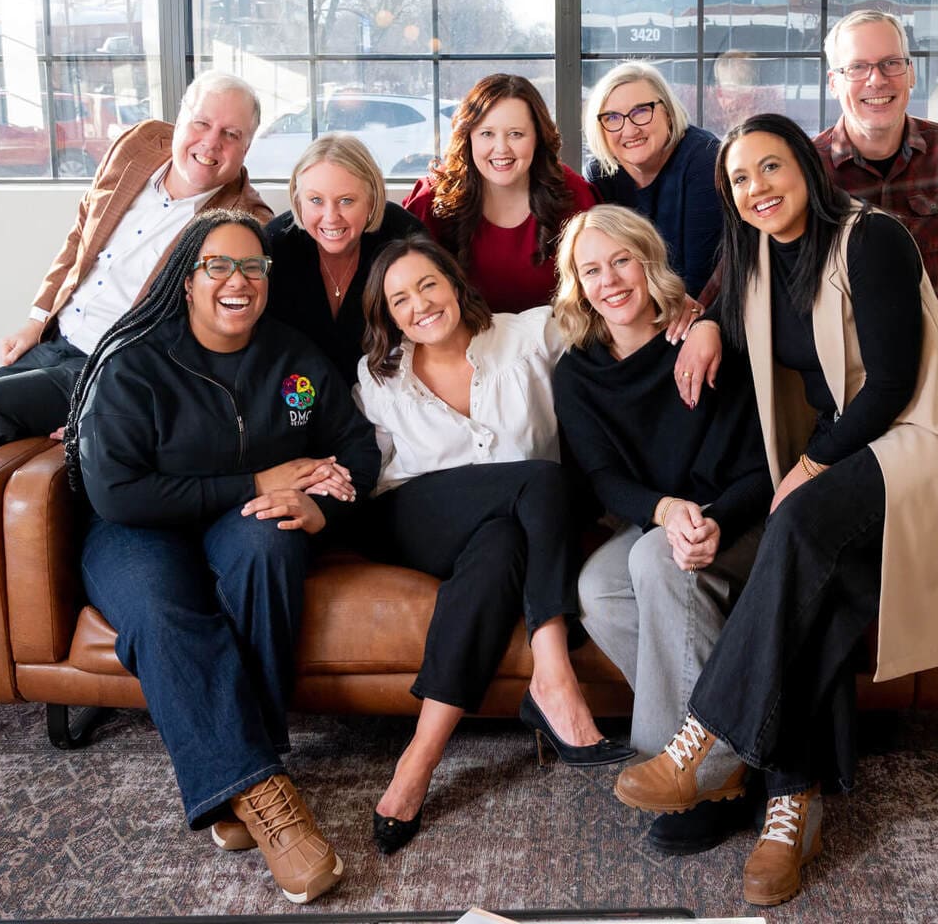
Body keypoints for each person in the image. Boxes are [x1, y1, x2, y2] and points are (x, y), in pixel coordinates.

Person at [616, 114, 938, 907]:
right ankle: (792, 809)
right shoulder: (756, 256)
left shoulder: (873, 240)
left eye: (770, 167)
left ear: (806, 165)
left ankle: (701, 739)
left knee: (792, 524)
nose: (756, 187)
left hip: (921, 439)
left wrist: (810, 464)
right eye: (739, 178)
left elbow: (892, 386)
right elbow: (725, 312)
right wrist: (706, 329)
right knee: (819, 593)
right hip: (854, 450)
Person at [686, 9, 938, 766]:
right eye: (858, 68)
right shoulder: (794, 164)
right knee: (817, 523)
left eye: (890, 64)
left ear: (910, 70)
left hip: (926, 394)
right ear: (833, 78)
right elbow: (742, 267)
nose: (876, 80)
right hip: (846, 406)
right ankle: (778, 749)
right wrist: (706, 321)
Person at [66, 208, 379, 905]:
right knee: (160, 609)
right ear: (187, 279)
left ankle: (241, 780)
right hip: (134, 528)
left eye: (253, 267)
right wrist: (257, 481)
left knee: (272, 541)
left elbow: (357, 447)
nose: (238, 281)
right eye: (218, 266)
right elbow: (115, 491)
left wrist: (324, 507)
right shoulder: (134, 362)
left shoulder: (293, 360)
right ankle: (263, 793)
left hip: (236, 522)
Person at [0, 72, 271, 639]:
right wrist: (37, 315)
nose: (211, 143)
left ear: (248, 145)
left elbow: (204, 346)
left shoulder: (245, 222)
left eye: (231, 134)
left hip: (109, 370)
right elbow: (81, 232)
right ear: (179, 119)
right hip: (55, 338)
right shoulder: (137, 144)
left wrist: (110, 411)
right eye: (202, 124)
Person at [354, 236, 634, 856]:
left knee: (503, 544)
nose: (420, 305)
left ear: (455, 283)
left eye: (428, 285)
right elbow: (363, 466)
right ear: (388, 315)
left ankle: (418, 760)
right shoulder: (379, 376)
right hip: (414, 514)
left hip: (512, 523)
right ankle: (553, 677)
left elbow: (615, 310)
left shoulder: (530, 335)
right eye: (400, 300)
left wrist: (697, 321)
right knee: (540, 479)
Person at [551, 205, 772, 856]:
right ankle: (720, 746)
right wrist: (669, 511)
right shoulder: (577, 372)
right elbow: (601, 476)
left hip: (744, 518)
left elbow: (762, 466)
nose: (610, 281)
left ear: (649, 263)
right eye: (592, 270)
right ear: (577, 285)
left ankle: (697, 778)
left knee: (655, 562)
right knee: (598, 587)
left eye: (622, 261)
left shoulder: (705, 340)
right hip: (665, 521)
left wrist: (713, 520)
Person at [403, 73, 598, 313]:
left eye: (516, 134)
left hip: (556, 333)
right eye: (487, 133)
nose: (501, 148)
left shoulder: (573, 194)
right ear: (468, 137)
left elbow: (597, 287)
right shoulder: (431, 200)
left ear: (538, 137)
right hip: (460, 335)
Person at [262, 133, 425, 380]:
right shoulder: (274, 246)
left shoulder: (403, 236)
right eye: (316, 200)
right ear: (298, 199)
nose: (330, 217)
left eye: (346, 201)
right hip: (296, 392)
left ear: (372, 200)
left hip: (386, 388)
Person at [583, 62, 722, 298]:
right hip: (629, 306)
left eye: (641, 111)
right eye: (612, 117)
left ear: (667, 112)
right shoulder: (600, 175)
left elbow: (700, 283)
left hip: (697, 307)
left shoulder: (705, 160)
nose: (630, 130)